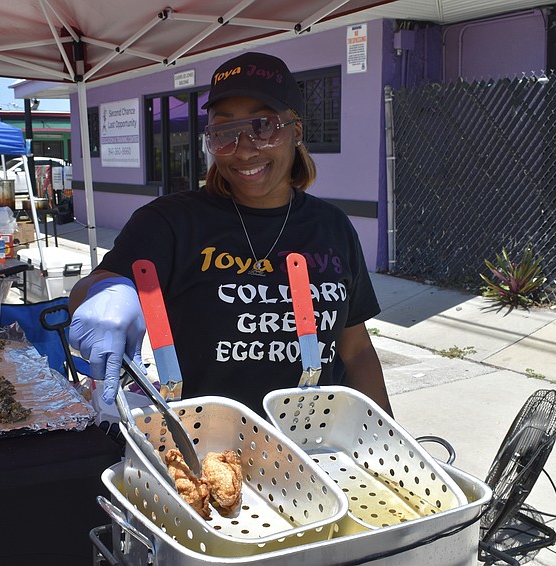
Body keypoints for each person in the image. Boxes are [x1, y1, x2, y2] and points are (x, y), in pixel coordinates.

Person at [68, 52, 392, 417]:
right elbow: (91, 287)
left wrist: (387, 436)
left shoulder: (332, 226)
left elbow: (356, 350)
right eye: (224, 133)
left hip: (318, 441)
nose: (244, 149)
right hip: (208, 442)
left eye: (264, 125)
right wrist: (105, 294)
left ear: (296, 130)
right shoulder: (171, 222)